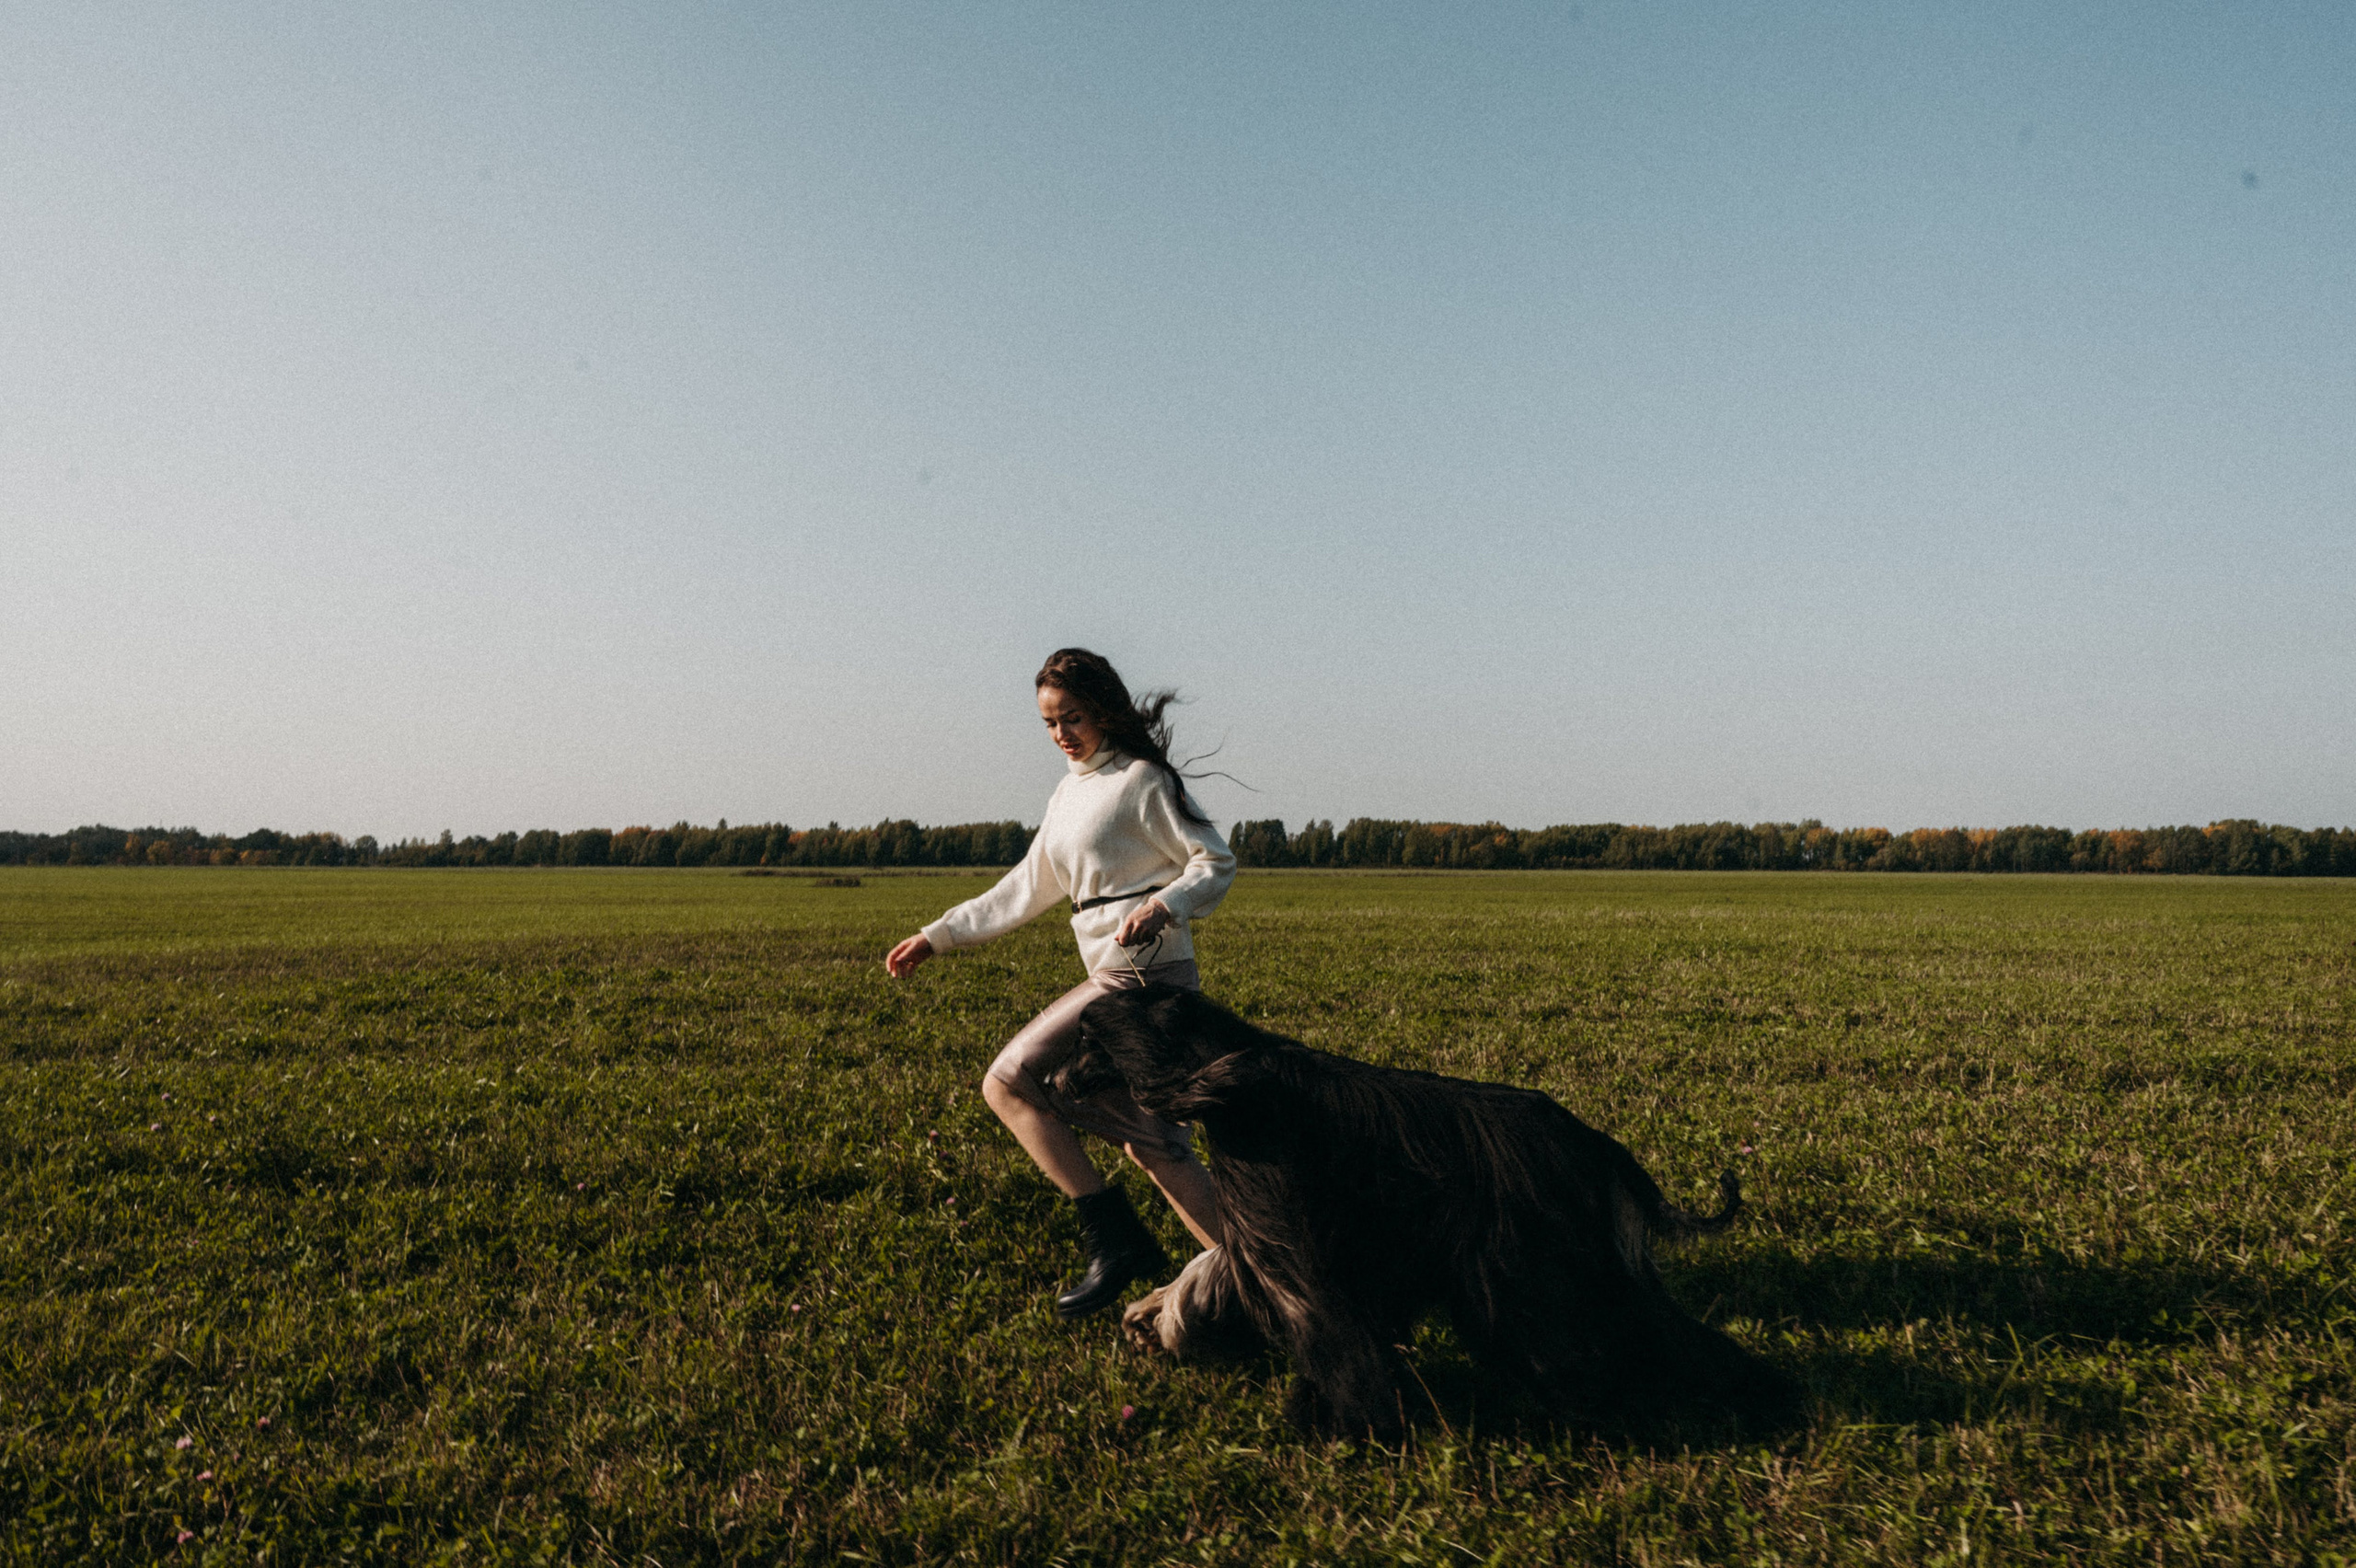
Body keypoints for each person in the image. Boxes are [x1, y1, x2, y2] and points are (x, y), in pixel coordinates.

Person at [884, 648, 1237, 1319]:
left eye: (1072, 717)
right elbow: (1025, 887)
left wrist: (1167, 904)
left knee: (1008, 1080)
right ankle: (1270, 1281)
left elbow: (1214, 861)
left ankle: (1116, 1241)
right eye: (1049, 722)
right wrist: (939, 934)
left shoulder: (1142, 781)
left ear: (1102, 710)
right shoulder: (1070, 792)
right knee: (1155, 1145)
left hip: (1147, 979)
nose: (1061, 735)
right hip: (1117, 976)